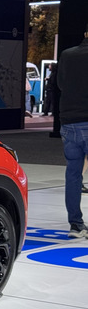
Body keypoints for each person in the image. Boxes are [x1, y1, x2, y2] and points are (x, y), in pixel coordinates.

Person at [57, 24, 88, 238]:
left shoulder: (67, 55)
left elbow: (60, 84)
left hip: (69, 121)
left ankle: (76, 225)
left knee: (73, 174)